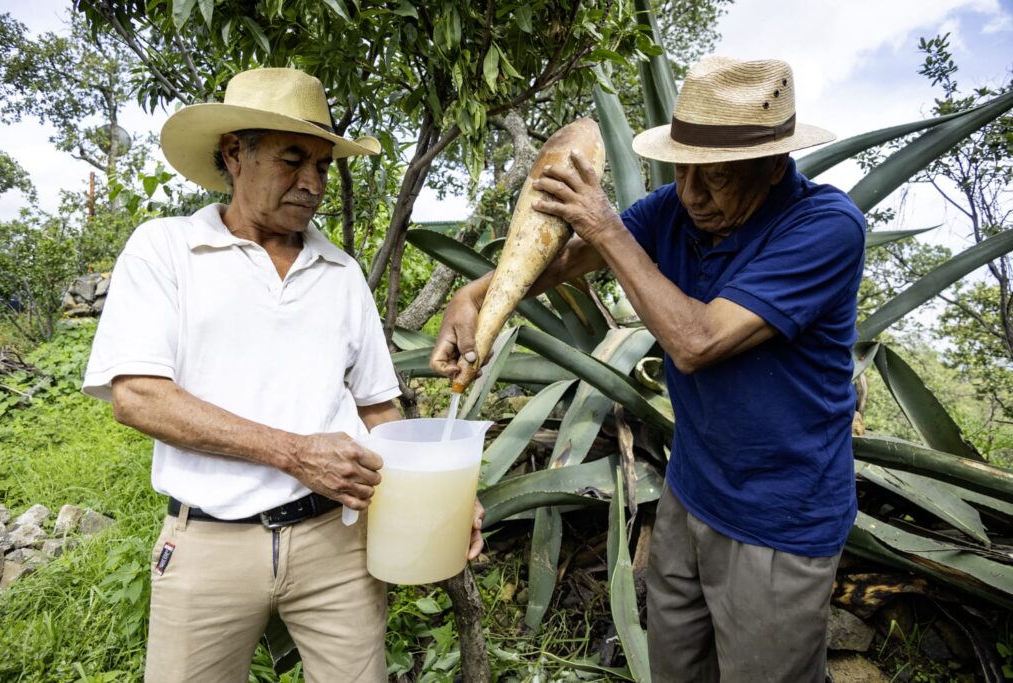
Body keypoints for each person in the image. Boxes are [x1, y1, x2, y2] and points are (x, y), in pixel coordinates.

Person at [431, 56, 864, 682]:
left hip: (778, 518)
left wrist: (605, 224)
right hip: (693, 490)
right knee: (675, 665)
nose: (690, 194)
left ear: (774, 165)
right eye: (680, 168)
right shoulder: (675, 209)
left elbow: (696, 341)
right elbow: (565, 259)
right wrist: (473, 295)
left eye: (716, 177)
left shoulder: (824, 227)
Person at [83, 67, 484, 683]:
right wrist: (295, 453)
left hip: (337, 544)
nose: (312, 183)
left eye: (322, 165)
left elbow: (378, 408)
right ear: (233, 154)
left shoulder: (341, 272)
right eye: (292, 159)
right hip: (208, 545)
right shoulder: (165, 249)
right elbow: (138, 397)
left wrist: (439, 498)